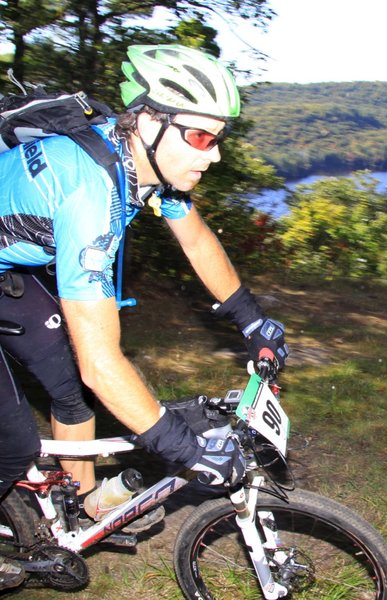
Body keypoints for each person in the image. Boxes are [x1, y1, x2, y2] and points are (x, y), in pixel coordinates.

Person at [0, 44, 288, 589]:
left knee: (70, 391)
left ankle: (82, 509)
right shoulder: (89, 191)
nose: (214, 154)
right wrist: (182, 447)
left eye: (218, 138)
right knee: (10, 441)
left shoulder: (136, 156)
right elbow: (102, 361)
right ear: (152, 121)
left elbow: (196, 238)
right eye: (202, 137)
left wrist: (250, 318)